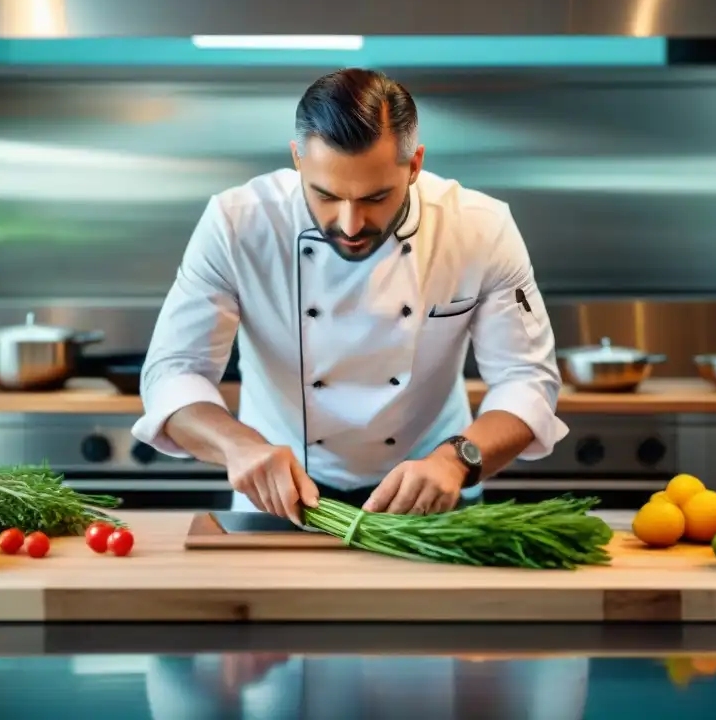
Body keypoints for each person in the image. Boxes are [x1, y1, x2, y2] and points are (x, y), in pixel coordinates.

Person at [132, 68, 568, 520]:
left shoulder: (480, 227)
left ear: (415, 164)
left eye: (376, 198)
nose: (350, 224)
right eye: (325, 195)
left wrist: (455, 460)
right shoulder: (236, 223)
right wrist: (238, 446)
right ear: (298, 159)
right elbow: (173, 372)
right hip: (278, 498)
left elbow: (526, 380)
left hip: (432, 493)